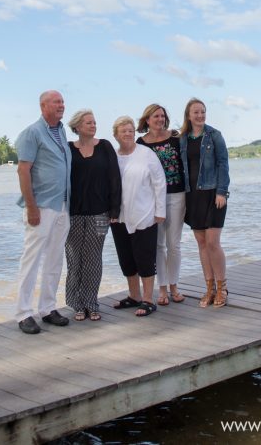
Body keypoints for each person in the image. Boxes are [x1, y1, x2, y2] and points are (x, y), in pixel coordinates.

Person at [15, 90, 72, 334]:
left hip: (63, 205)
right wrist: (31, 207)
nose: (61, 105)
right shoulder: (32, 133)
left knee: (55, 258)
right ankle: (23, 313)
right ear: (43, 106)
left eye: (62, 102)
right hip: (41, 206)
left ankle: (48, 308)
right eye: (56, 102)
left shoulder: (61, 131)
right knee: (32, 259)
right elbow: (23, 171)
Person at [65, 109, 122, 322]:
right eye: (88, 122)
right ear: (77, 126)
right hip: (73, 214)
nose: (93, 125)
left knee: (93, 260)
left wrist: (115, 211)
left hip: (100, 213)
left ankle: (91, 303)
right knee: (73, 259)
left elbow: (115, 179)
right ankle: (76, 304)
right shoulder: (69, 149)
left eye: (94, 122)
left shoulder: (105, 146)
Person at [110, 115, 166, 317]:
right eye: (123, 131)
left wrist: (160, 211)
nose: (128, 134)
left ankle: (148, 299)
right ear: (115, 134)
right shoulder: (113, 156)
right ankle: (134, 296)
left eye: (131, 130)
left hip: (145, 215)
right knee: (126, 258)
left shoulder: (146, 154)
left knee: (145, 257)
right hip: (119, 217)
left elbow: (159, 182)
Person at [179, 98, 230, 308]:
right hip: (192, 196)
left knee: (212, 242)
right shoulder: (182, 138)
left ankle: (222, 287)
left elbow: (223, 164)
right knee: (201, 243)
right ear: (188, 115)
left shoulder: (214, 135)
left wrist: (222, 192)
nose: (200, 115)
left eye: (203, 112)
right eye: (196, 112)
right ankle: (209, 288)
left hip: (213, 195)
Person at [136, 103, 186, 306]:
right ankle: (162, 288)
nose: (160, 119)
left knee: (174, 244)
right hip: (153, 199)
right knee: (158, 245)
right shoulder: (141, 143)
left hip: (177, 195)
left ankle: (174, 286)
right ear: (147, 120)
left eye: (162, 116)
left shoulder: (175, 137)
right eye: (155, 116)